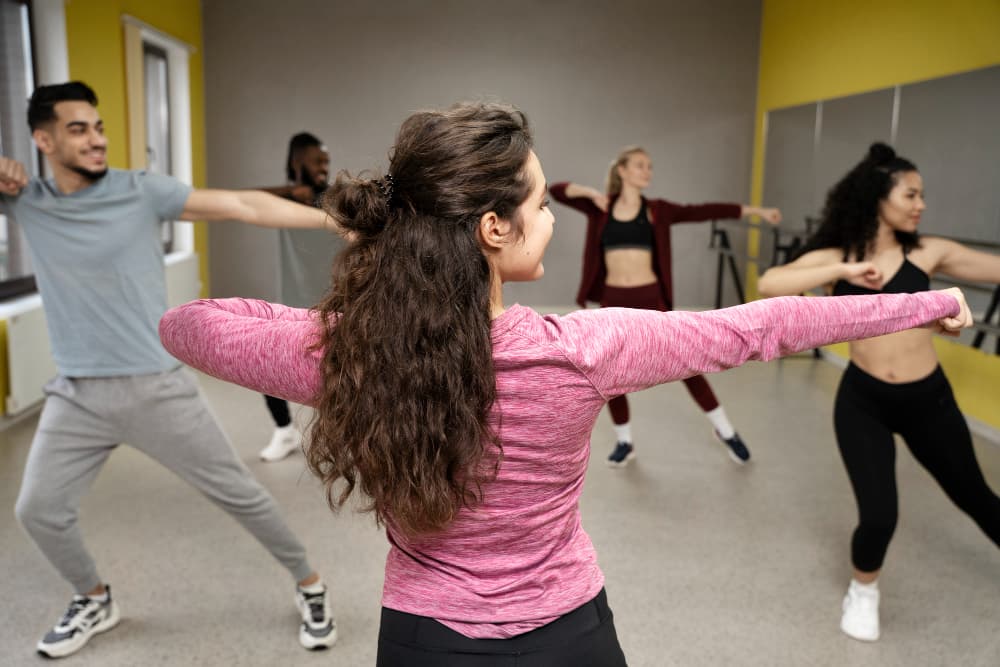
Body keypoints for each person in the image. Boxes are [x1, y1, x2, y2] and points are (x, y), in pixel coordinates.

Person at [159, 103, 972, 666]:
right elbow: (756, 328)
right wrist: (925, 301)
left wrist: (347, 317)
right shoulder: (582, 349)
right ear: (493, 227)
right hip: (566, 635)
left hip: (422, 638)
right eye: (543, 203)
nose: (550, 218)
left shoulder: (352, 354)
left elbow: (191, 324)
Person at [0, 82, 337, 658]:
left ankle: (310, 583)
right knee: (37, 509)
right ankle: (93, 597)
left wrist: (334, 223)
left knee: (241, 495)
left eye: (98, 126)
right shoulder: (27, 200)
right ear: (43, 140)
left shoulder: (140, 190)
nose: (96, 139)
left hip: (156, 388)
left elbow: (243, 205)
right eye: (78, 129)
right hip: (76, 394)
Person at [758, 142, 1000, 642]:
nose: (921, 204)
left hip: (928, 400)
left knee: (976, 496)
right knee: (879, 514)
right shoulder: (836, 257)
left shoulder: (927, 251)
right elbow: (770, 283)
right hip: (863, 401)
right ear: (877, 196)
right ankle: (863, 591)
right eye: (911, 194)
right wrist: (840, 273)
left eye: (922, 195)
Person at [550, 148, 782, 467]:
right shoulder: (600, 209)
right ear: (622, 171)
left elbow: (704, 211)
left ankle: (725, 430)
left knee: (687, 363)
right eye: (640, 166)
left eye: (650, 167)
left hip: (650, 298)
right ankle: (624, 442)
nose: (647, 171)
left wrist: (756, 211)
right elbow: (557, 190)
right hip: (613, 300)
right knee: (613, 370)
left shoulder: (658, 210)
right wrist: (592, 194)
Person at [257, 132, 331, 462]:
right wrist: (290, 192)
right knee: (265, 364)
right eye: (317, 162)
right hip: (292, 303)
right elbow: (247, 199)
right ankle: (285, 431)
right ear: (297, 162)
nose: (324, 168)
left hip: (334, 303)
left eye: (326, 162)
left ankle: (344, 439)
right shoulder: (282, 202)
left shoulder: (334, 198)